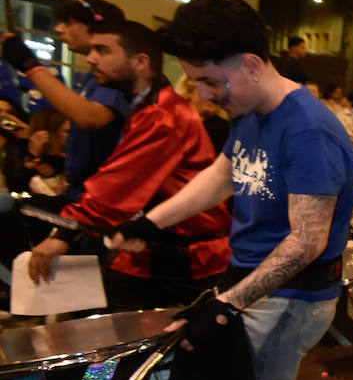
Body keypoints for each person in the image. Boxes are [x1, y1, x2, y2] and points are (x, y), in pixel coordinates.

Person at [110, 0, 353, 380]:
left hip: (293, 296)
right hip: (250, 285)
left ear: (249, 64)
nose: (202, 96)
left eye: (208, 81)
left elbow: (306, 242)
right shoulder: (249, 114)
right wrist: (150, 223)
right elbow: (224, 176)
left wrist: (224, 306)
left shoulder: (309, 130)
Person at [26, 20, 231, 308]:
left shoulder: (162, 113)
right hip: (152, 246)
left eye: (103, 50)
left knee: (122, 341)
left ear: (140, 62)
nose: (90, 57)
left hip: (188, 256)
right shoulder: (144, 107)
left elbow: (119, 182)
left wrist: (64, 232)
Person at [1, 0, 129, 201]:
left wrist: (30, 66)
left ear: (94, 27)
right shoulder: (88, 77)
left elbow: (90, 117)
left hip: (102, 194)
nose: (59, 29)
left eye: (69, 23)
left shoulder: (115, 76)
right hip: (81, 190)